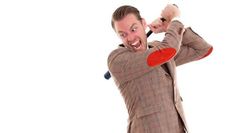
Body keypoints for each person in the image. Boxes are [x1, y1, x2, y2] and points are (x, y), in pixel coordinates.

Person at [107, 4, 213, 133]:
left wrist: (168, 26)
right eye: (123, 35)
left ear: (143, 24)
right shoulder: (118, 60)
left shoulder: (157, 48)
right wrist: (175, 19)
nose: (130, 38)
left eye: (134, 29)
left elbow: (202, 49)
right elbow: (168, 50)